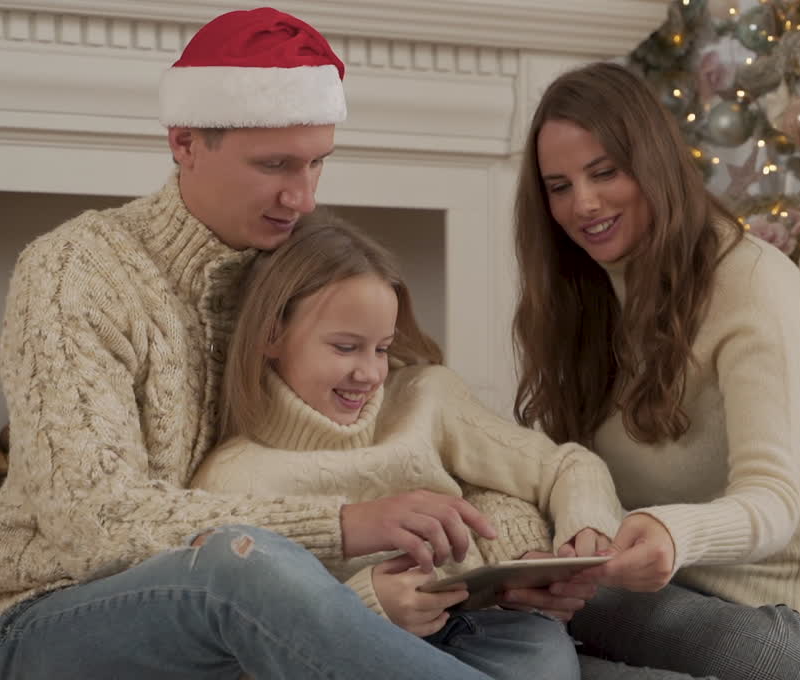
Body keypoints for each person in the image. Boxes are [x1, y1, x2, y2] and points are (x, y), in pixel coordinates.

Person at [0, 7, 548, 680]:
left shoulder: (300, 269)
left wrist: (512, 551)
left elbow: (448, 445)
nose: (301, 197)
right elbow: (93, 521)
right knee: (240, 564)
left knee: (526, 638)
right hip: (62, 619)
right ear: (185, 142)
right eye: (274, 165)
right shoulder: (75, 271)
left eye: (316, 165)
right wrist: (348, 524)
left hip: (274, 607)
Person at [507, 61, 800, 680]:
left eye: (604, 173)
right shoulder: (582, 299)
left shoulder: (753, 282)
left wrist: (669, 534)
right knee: (508, 588)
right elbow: (566, 471)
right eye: (559, 186)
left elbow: (773, 504)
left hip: (775, 621)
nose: (583, 204)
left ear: (652, 164)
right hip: (646, 602)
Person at [189, 213, 629, 679]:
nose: (370, 373)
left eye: (381, 348)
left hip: (495, 627)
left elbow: (567, 465)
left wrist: (584, 532)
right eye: (345, 347)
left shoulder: (426, 397)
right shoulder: (231, 477)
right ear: (270, 336)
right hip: (367, 653)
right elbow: (254, 636)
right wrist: (369, 609)